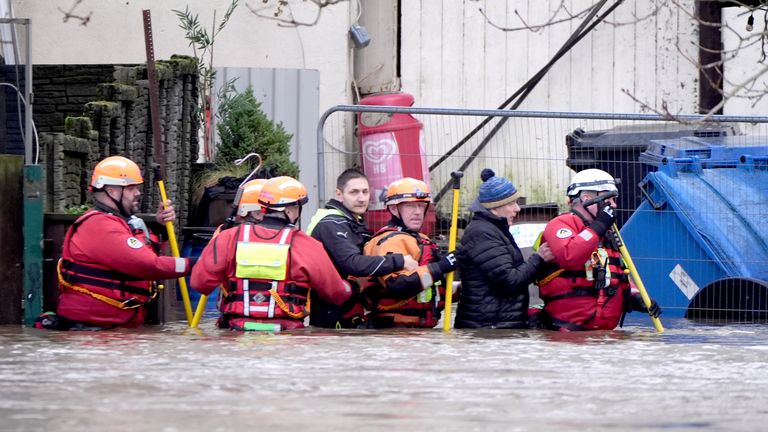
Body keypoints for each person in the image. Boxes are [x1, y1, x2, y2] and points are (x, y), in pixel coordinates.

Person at [37, 156, 194, 330]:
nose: (138, 193)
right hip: (90, 330)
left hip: (113, 328)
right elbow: (148, 265)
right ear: (112, 191)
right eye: (131, 188)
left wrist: (161, 227)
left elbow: (144, 251)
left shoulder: (122, 223)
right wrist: (194, 265)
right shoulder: (99, 226)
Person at [190, 176, 353, 331]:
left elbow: (199, 284)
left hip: (235, 332)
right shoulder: (307, 245)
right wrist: (351, 286)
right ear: (291, 209)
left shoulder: (227, 238)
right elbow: (336, 294)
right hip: (288, 334)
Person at [537, 168, 662, 331]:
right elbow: (570, 256)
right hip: (565, 333)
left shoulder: (607, 233)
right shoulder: (560, 224)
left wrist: (635, 297)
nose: (614, 205)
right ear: (587, 199)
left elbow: (617, 272)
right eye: (609, 199)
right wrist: (599, 225)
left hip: (603, 335)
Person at [305, 168, 418, 328]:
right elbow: (353, 263)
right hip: (331, 314)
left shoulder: (352, 221)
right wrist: (400, 261)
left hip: (350, 309)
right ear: (339, 194)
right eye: (354, 192)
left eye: (365, 192)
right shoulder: (330, 223)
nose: (361, 198)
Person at [454, 169, 555, 329]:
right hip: (488, 330)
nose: (518, 209)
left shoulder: (495, 229)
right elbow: (509, 281)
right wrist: (538, 258)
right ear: (494, 208)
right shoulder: (482, 234)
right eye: (511, 203)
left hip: (497, 325)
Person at [362, 177, 458, 328]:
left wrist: (462, 290)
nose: (418, 212)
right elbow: (399, 287)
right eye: (411, 206)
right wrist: (440, 267)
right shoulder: (389, 241)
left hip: (417, 331)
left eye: (421, 206)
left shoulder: (422, 240)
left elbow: (429, 287)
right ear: (394, 209)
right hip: (392, 332)